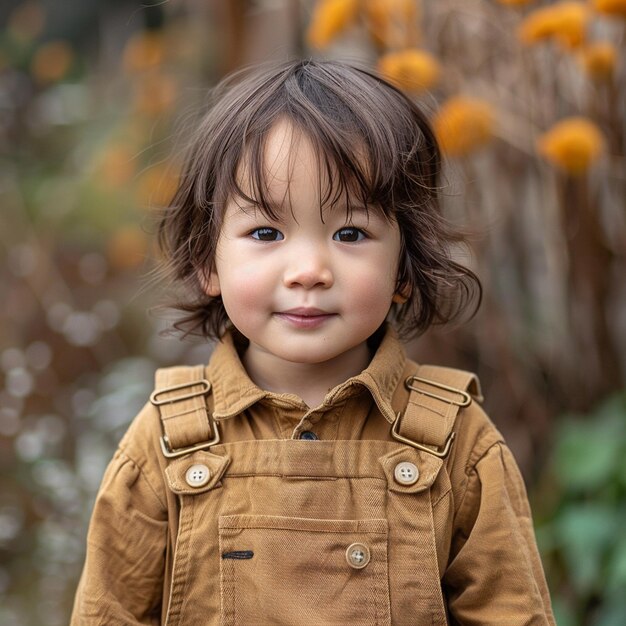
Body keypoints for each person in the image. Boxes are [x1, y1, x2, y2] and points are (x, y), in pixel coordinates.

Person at [71, 59, 555, 625]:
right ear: (208, 261)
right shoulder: (164, 444)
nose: (308, 270)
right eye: (266, 232)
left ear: (405, 265)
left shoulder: (459, 444)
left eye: (350, 233)